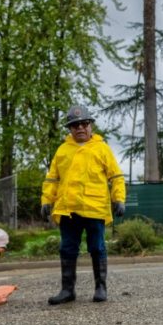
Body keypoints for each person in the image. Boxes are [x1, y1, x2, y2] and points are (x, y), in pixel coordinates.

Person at [40, 105, 126, 305]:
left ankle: (100, 288)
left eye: (84, 124)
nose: (80, 128)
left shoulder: (102, 149)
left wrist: (119, 198)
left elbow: (116, 177)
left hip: (94, 208)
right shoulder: (62, 150)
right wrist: (46, 200)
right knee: (67, 249)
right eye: (75, 125)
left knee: (97, 248)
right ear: (70, 129)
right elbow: (52, 179)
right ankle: (67, 290)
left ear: (90, 126)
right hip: (68, 209)